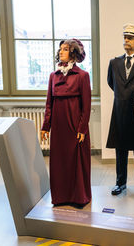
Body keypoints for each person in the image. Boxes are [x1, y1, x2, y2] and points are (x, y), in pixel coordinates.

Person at [41, 38, 91, 208]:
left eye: (65, 49)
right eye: (60, 49)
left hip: (75, 126)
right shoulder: (52, 76)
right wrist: (45, 127)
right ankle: (60, 197)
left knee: (75, 161)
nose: (61, 51)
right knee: (59, 162)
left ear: (73, 53)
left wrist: (82, 129)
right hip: (58, 126)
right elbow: (49, 103)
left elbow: (86, 105)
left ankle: (79, 197)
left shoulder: (83, 76)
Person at [106, 24, 134, 198]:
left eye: (130, 38)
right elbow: (111, 82)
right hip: (120, 112)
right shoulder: (114, 63)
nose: (126, 40)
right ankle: (120, 183)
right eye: (125, 37)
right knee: (120, 150)